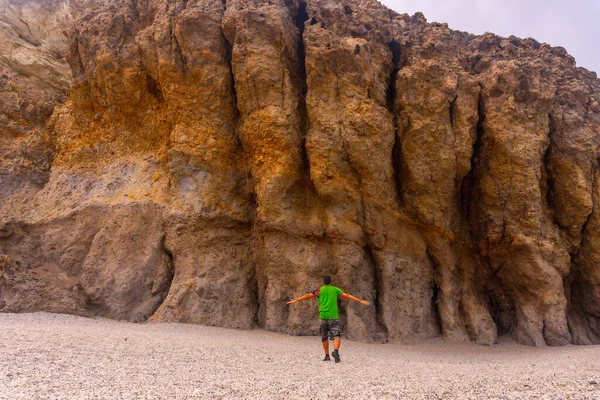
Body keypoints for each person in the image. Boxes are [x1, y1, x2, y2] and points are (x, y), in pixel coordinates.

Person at [286, 275, 370, 363]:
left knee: (324, 336)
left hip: (323, 316)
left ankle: (327, 356)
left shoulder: (319, 290)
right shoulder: (335, 289)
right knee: (336, 335)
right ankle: (336, 351)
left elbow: (308, 295)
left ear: (323, 282)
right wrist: (360, 301)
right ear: (331, 281)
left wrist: (296, 300)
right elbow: (347, 296)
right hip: (333, 316)